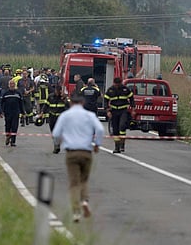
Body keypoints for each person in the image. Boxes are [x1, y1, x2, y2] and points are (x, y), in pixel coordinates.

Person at [52, 92, 104, 222]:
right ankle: (85, 201)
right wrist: (97, 144)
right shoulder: (89, 115)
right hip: (86, 152)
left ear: (70, 103)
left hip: (71, 152)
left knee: (74, 183)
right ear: (82, 103)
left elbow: (56, 133)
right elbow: (100, 130)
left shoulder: (65, 116)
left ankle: (76, 211)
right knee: (84, 180)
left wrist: (59, 143)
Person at [104, 77, 135, 153]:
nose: (117, 86)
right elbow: (105, 100)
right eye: (115, 84)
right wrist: (108, 111)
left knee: (122, 126)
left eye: (118, 84)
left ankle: (122, 145)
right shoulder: (110, 90)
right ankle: (116, 147)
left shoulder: (125, 89)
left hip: (123, 110)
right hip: (114, 111)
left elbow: (131, 98)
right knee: (115, 129)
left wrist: (133, 109)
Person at [41, 85, 68, 153]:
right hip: (52, 117)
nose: (57, 92)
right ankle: (56, 144)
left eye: (59, 91)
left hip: (60, 118)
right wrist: (42, 113)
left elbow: (68, 106)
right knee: (53, 132)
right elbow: (46, 105)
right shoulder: (51, 96)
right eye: (56, 91)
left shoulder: (63, 98)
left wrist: (64, 99)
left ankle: (57, 145)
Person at [0, 80, 25, 147]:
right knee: (8, 125)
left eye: (13, 84)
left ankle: (13, 141)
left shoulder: (18, 93)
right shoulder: (5, 93)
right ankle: (8, 136)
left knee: (14, 127)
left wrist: (23, 112)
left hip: (15, 112)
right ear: (8, 85)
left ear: (15, 85)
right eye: (11, 84)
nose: (12, 85)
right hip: (7, 112)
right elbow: (2, 103)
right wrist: (1, 111)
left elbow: (21, 103)